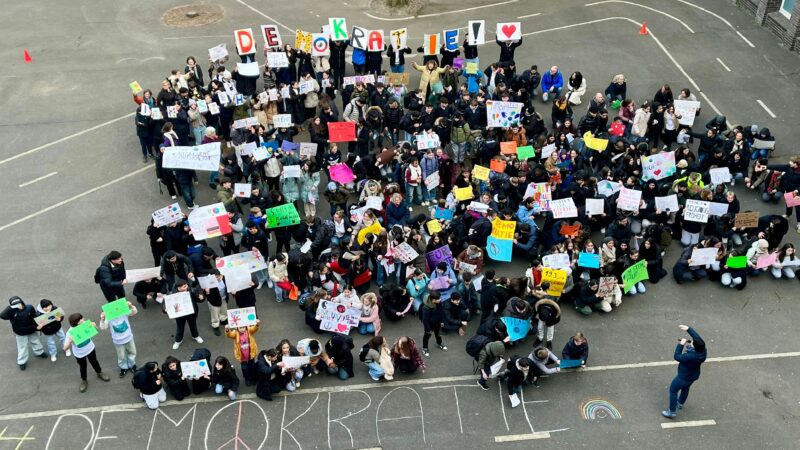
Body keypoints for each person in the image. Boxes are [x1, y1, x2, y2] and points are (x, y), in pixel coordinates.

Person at [662, 325, 707, 418]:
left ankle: (672, 412)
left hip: (683, 376)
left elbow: (677, 356)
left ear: (694, 347)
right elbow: (698, 338)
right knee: (685, 388)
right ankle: (680, 403)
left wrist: (681, 344)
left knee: (673, 390)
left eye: (692, 343)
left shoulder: (690, 357)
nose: (691, 342)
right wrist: (689, 329)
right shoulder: (703, 351)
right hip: (693, 375)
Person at [63, 313, 111, 392]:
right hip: (79, 354)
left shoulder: (85, 324)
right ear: (77, 322)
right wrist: (70, 342)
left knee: (94, 361)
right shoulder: (70, 332)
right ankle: (84, 380)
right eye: (81, 319)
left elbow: (96, 330)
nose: (83, 319)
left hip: (90, 348)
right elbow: (65, 348)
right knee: (83, 366)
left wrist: (95, 326)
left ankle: (99, 372)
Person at [1, 296, 47, 370]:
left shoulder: (29, 307)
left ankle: (39, 352)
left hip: (31, 330)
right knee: (22, 347)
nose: (18, 306)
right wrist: (10, 307)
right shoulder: (11, 311)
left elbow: (35, 316)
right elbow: (2, 316)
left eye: (18, 304)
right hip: (20, 333)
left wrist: (38, 326)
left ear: (22, 302)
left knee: (36, 342)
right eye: (15, 305)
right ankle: (22, 362)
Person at [98, 299, 138, 377]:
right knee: (121, 356)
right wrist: (102, 319)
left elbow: (134, 312)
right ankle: (124, 367)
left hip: (129, 337)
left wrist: (131, 306)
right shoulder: (109, 317)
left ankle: (132, 365)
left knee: (132, 352)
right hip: (118, 340)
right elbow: (103, 327)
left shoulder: (123, 311)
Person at [169, 279, 205, 350]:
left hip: (191, 313)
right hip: (180, 315)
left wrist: (201, 298)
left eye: (186, 285)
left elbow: (198, 299)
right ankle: (178, 341)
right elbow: (167, 304)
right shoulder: (173, 294)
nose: (186, 287)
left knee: (193, 326)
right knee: (180, 328)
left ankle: (195, 336)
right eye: (184, 287)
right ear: (179, 288)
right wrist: (165, 309)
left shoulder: (191, 291)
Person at [225, 320, 260, 386]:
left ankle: (252, 377)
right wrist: (227, 329)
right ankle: (247, 379)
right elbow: (229, 335)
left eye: (243, 327)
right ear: (237, 328)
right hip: (242, 356)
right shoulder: (235, 333)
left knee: (252, 366)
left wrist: (257, 324)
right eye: (240, 327)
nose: (242, 329)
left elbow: (254, 329)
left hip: (250, 354)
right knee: (245, 368)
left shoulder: (249, 330)